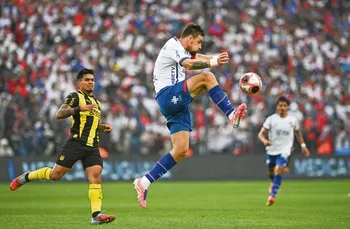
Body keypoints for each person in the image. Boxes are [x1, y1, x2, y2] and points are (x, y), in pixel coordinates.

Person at [133, 22, 247, 208]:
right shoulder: (173, 45)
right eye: (199, 41)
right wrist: (213, 62)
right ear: (190, 38)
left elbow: (195, 56)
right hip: (168, 95)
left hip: (178, 103)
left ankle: (144, 182)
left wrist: (214, 57)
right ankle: (231, 113)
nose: (200, 45)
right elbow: (189, 63)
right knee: (207, 77)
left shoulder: (183, 49)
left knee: (181, 150)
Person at [9, 68, 116, 225]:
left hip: (92, 145)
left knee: (96, 177)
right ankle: (26, 177)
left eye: (92, 80)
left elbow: (87, 122)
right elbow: (59, 114)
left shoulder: (97, 103)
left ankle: (96, 215)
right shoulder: (75, 97)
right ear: (79, 83)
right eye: (87, 80)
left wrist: (101, 127)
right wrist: (79, 108)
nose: (90, 82)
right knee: (55, 175)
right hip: (76, 143)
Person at [258, 96, 310, 206]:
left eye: (284, 106)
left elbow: (297, 133)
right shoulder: (271, 119)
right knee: (271, 172)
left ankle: (272, 196)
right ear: (277, 107)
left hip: (285, 150)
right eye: (280, 105)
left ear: (288, 107)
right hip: (271, 150)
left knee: (279, 169)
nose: (282, 107)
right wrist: (264, 141)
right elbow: (260, 134)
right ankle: (274, 182)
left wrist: (303, 145)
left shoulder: (293, 120)